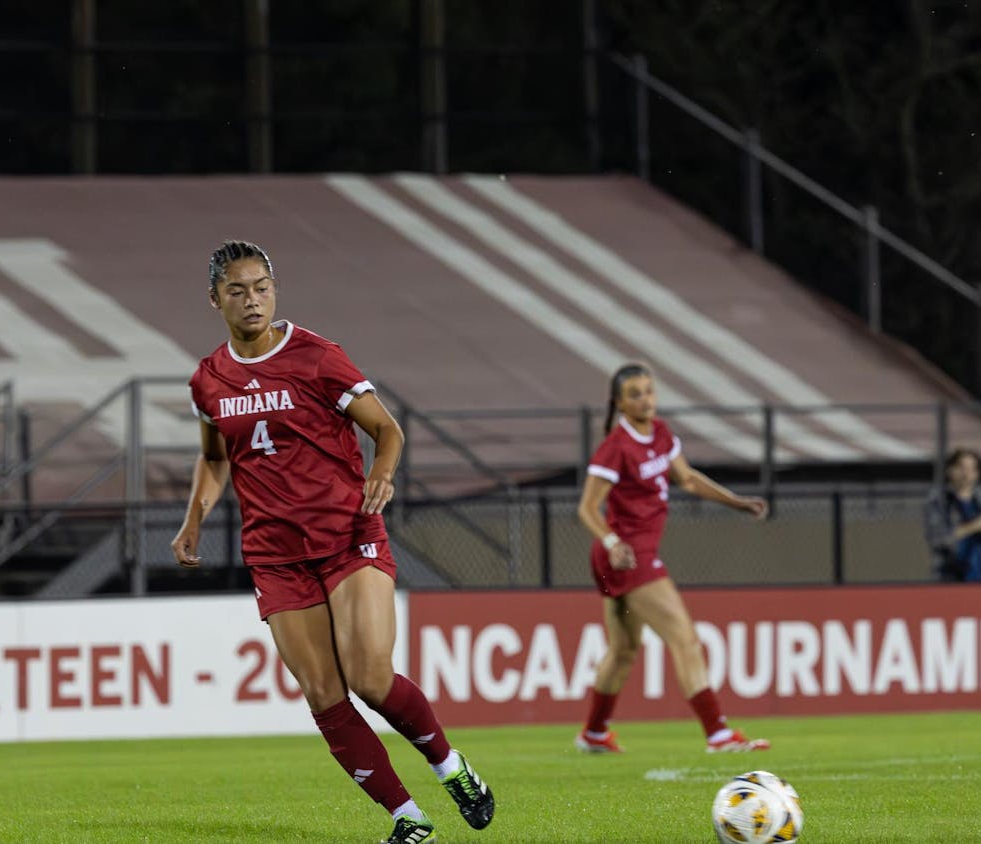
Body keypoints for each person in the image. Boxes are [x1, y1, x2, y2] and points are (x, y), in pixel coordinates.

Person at [171, 240, 495, 844]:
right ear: (214, 299)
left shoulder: (318, 356)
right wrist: (194, 519)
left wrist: (381, 473)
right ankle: (408, 819)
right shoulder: (208, 380)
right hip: (275, 554)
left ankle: (453, 769)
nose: (252, 300)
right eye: (237, 290)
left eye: (261, 286)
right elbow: (214, 458)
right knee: (323, 693)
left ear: (276, 288)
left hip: (348, 537)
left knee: (371, 679)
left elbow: (386, 428)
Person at [573, 362, 772, 754]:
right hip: (628, 555)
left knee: (623, 649)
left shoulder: (661, 433)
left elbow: (689, 479)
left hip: (625, 555)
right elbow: (586, 509)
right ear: (618, 402)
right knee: (685, 638)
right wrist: (613, 541)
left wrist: (736, 502)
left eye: (649, 391)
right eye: (635, 394)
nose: (645, 399)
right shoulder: (616, 446)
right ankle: (717, 733)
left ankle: (594, 734)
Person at [924, 448, 981, 582]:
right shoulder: (939, 502)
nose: (966, 474)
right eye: (961, 467)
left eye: (972, 469)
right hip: (951, 577)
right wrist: (974, 526)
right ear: (950, 470)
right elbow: (937, 538)